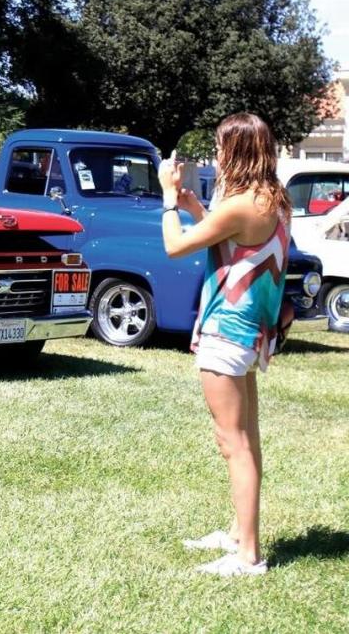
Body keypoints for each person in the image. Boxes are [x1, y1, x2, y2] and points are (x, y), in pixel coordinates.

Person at [160, 112, 292, 577]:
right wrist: (197, 207)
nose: (216, 154)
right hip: (250, 332)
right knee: (246, 440)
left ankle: (247, 556)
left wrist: (167, 201)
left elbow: (176, 247)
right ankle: (239, 535)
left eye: (220, 147)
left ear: (235, 151)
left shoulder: (242, 204)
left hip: (228, 330)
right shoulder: (271, 200)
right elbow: (233, 244)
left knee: (232, 443)